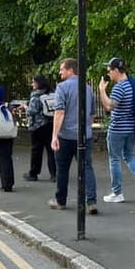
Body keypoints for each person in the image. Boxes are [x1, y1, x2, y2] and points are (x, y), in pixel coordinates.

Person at [98, 57, 135, 203]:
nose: (108, 73)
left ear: (116, 70)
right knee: (129, 156)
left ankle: (117, 193)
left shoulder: (119, 87)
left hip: (117, 129)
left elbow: (109, 106)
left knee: (114, 159)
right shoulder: (132, 85)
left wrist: (102, 90)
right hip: (132, 128)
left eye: (109, 70)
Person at [49, 58, 98, 214]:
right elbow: (91, 115)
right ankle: (91, 202)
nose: (60, 72)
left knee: (62, 169)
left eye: (62, 69)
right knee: (86, 168)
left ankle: (60, 201)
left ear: (70, 70)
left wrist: (54, 136)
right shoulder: (88, 88)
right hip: (85, 136)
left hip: (66, 136)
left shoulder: (62, 88)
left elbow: (59, 112)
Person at [23, 75, 56, 182]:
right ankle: (54, 174)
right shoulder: (52, 94)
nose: (32, 84)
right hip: (51, 124)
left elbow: (31, 111)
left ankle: (34, 173)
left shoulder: (35, 96)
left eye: (33, 82)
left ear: (38, 83)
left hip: (37, 126)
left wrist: (25, 107)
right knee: (51, 150)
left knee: (36, 150)